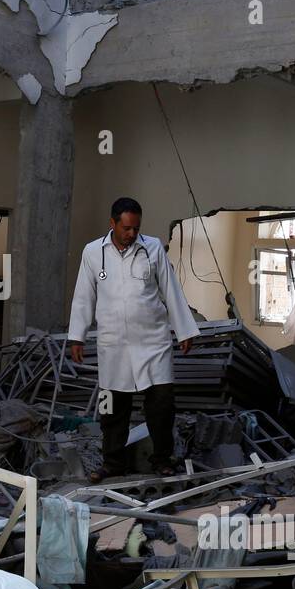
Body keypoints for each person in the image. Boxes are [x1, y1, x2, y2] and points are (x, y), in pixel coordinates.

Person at [67, 197, 199, 480]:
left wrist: (184, 329)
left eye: (136, 228)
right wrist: (76, 337)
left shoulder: (152, 249)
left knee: (162, 407)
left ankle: (162, 460)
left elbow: (170, 289)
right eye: (126, 228)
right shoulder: (92, 253)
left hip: (153, 342)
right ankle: (113, 464)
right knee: (112, 410)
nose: (131, 234)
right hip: (113, 346)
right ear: (112, 223)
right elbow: (83, 297)